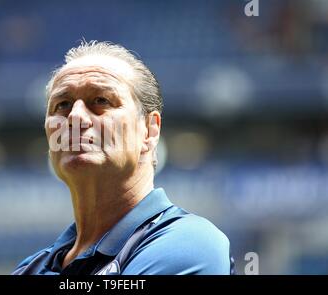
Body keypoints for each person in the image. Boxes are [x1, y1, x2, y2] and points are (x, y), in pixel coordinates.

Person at [13, 40, 233, 275]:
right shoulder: (30, 268)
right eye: (62, 104)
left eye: (101, 100)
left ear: (149, 130)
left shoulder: (191, 244)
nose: (75, 117)